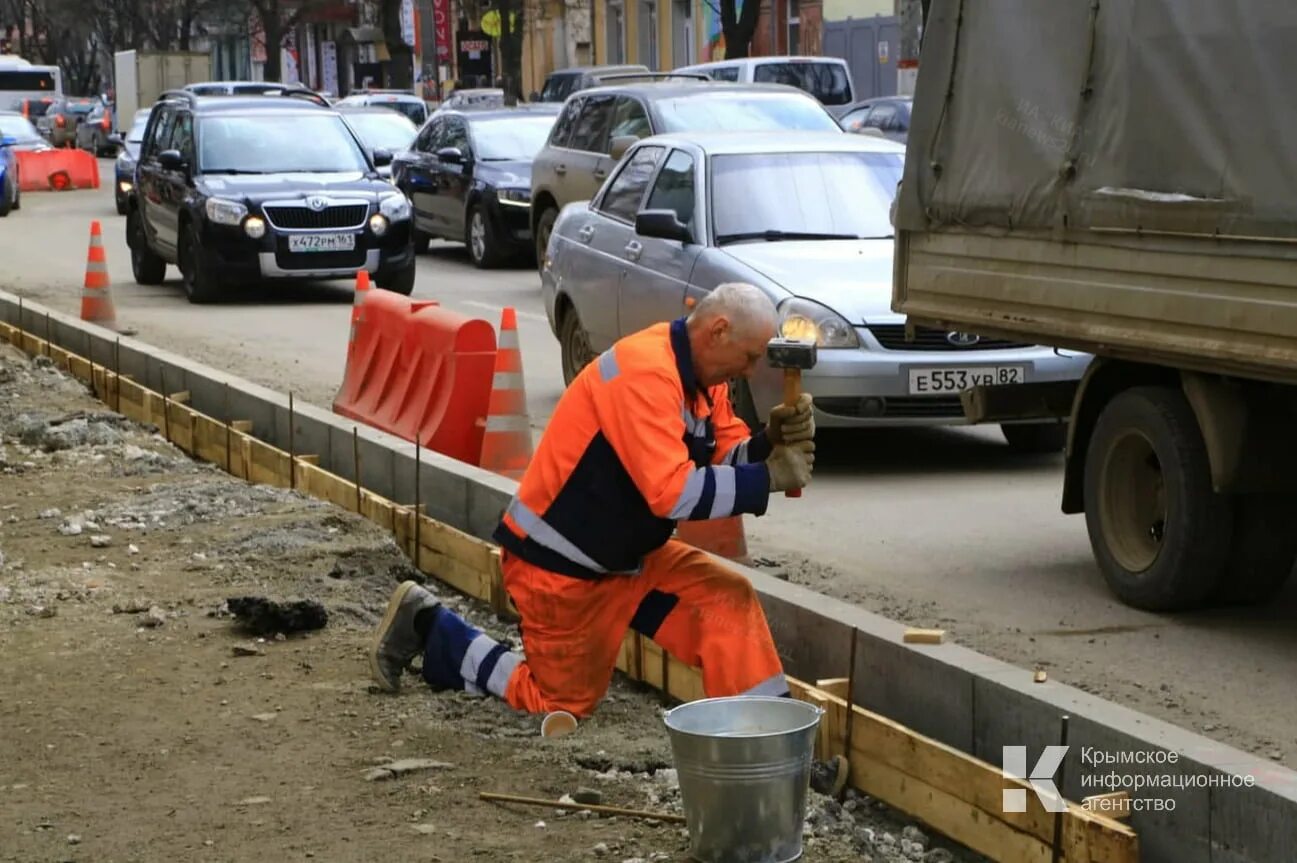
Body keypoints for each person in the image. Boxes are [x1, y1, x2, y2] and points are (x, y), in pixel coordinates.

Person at [369, 283, 838, 782]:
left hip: (629, 558)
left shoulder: (703, 380)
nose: (749, 371)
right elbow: (673, 493)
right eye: (747, 357)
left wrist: (767, 442)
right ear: (718, 332)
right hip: (561, 569)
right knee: (557, 705)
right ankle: (431, 628)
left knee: (727, 603)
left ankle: (781, 757)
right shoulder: (645, 373)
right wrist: (769, 478)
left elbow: (721, 454)